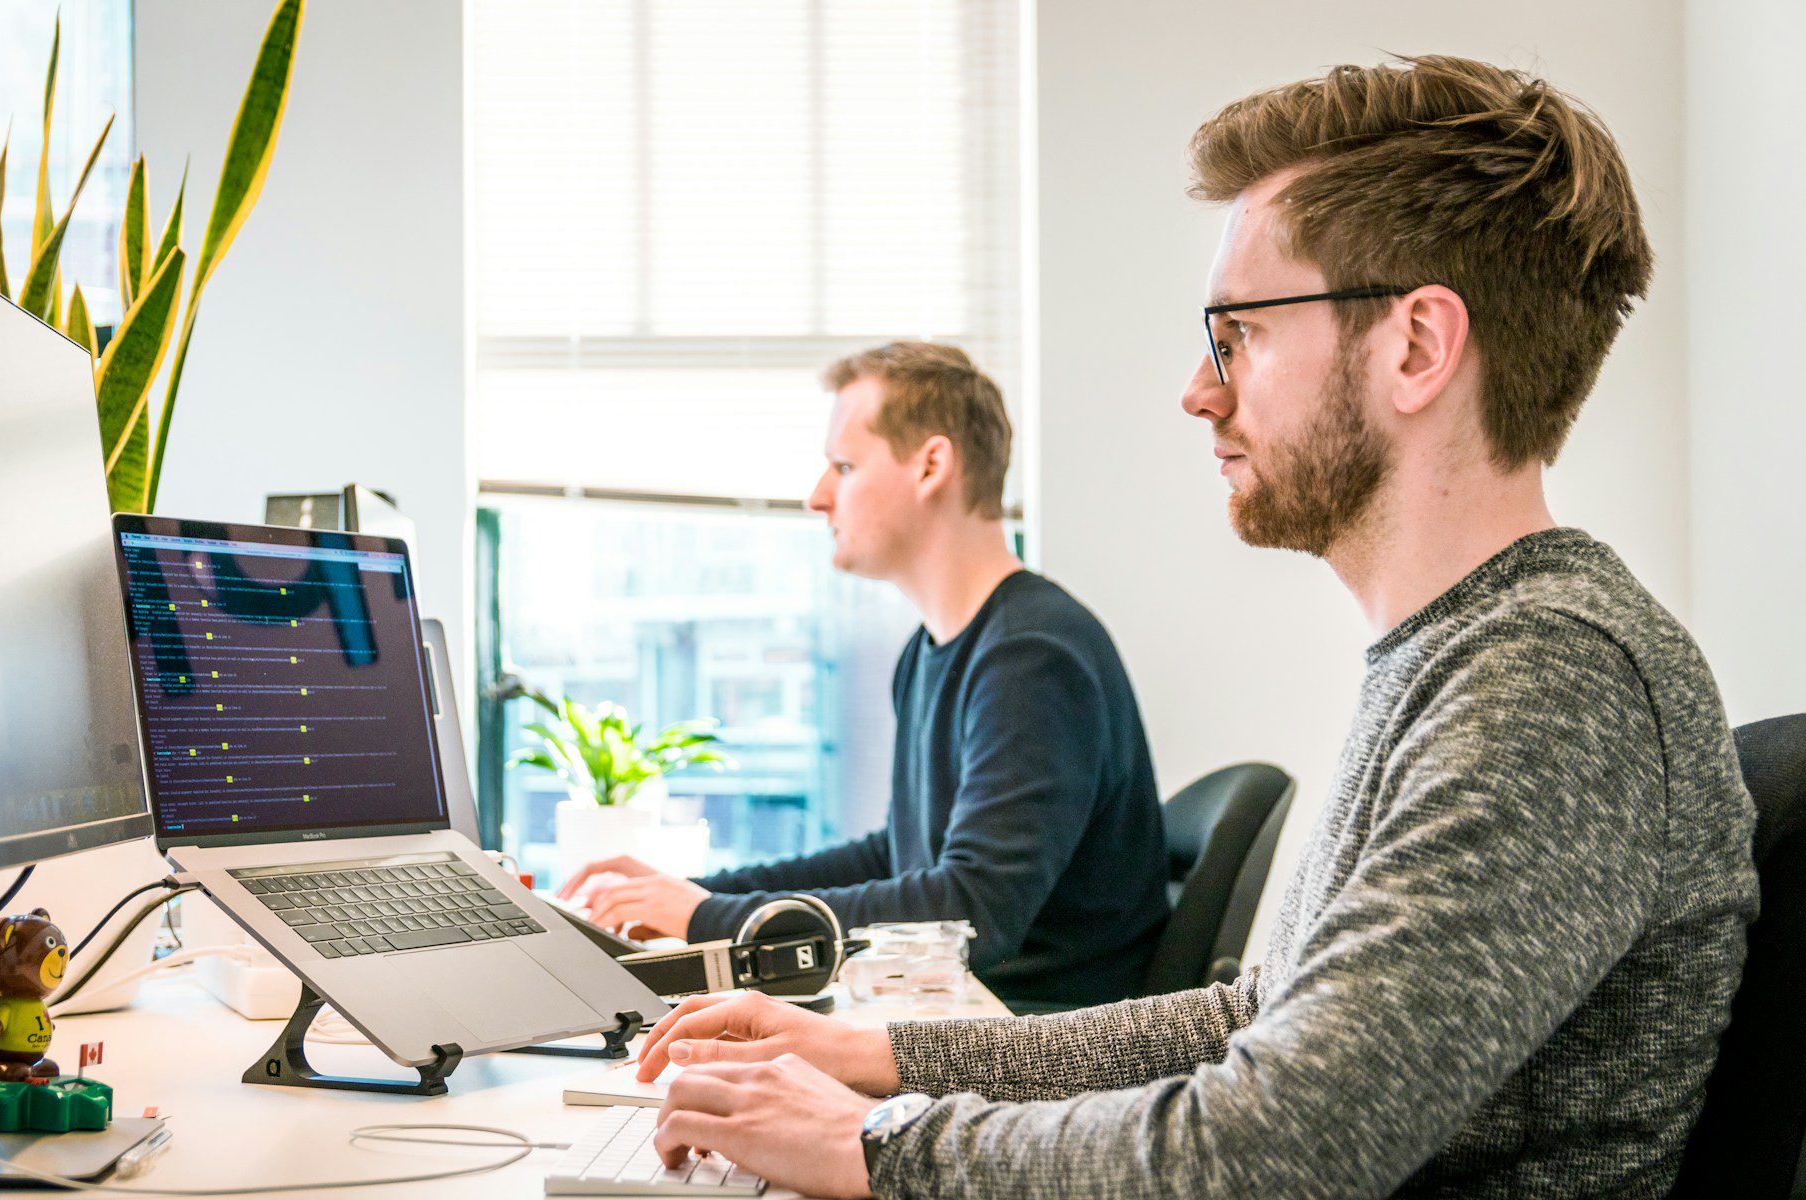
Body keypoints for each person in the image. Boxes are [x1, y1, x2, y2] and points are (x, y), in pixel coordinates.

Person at [624, 56, 1761, 1199]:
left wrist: (868, 1146)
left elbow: (1273, 1148)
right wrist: (870, 1054)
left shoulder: (1551, 683)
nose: (1199, 390)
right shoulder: (1462, 656)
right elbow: (1253, 1021)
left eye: (1240, 336)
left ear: (1416, 347)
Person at [558, 342, 1172, 1010]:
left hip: (1031, 1041)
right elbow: (898, 857)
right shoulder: (934, 652)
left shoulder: (1033, 657)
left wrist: (707, 919)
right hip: (961, 1014)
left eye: (844, 466)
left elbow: (971, 914)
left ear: (932, 465)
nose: (817, 496)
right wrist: (699, 895)